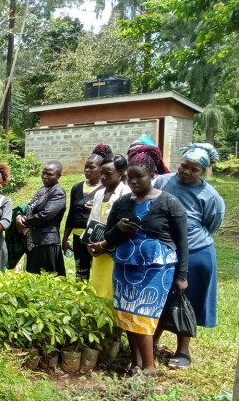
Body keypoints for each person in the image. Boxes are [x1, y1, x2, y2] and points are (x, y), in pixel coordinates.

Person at [88, 146, 188, 376]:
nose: (133, 182)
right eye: (129, 177)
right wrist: (119, 229)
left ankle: (149, 368)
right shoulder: (122, 203)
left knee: (143, 316)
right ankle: (136, 362)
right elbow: (109, 235)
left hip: (157, 268)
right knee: (126, 315)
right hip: (124, 265)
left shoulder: (169, 203)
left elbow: (182, 242)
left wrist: (182, 275)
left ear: (153, 176)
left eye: (139, 177)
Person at [153, 143, 225, 369]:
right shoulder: (162, 182)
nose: (186, 172)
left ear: (204, 171)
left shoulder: (209, 195)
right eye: (184, 166)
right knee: (158, 297)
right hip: (162, 251)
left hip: (196, 253)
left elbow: (211, 224)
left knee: (188, 300)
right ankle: (151, 341)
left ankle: (183, 350)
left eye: (194, 170)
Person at [62, 145, 109, 280]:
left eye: (92, 167)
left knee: (98, 274)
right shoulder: (77, 187)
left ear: (101, 169)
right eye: (86, 167)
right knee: (80, 275)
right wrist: (65, 238)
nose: (87, 170)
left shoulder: (106, 188)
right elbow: (71, 214)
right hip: (78, 238)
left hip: (97, 238)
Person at [86, 154, 130, 300]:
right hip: (98, 250)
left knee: (111, 290)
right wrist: (90, 243)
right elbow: (92, 220)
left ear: (121, 173)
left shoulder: (126, 194)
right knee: (97, 288)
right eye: (101, 173)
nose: (103, 177)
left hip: (115, 251)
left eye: (108, 174)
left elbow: (124, 227)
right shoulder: (99, 193)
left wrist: (105, 245)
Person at [16, 161, 67, 276]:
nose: (45, 176)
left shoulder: (58, 191)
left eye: (49, 174)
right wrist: (19, 216)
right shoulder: (43, 190)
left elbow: (46, 214)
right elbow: (28, 207)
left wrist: (24, 221)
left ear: (59, 175)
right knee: (34, 277)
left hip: (46, 241)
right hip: (34, 241)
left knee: (47, 277)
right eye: (43, 173)